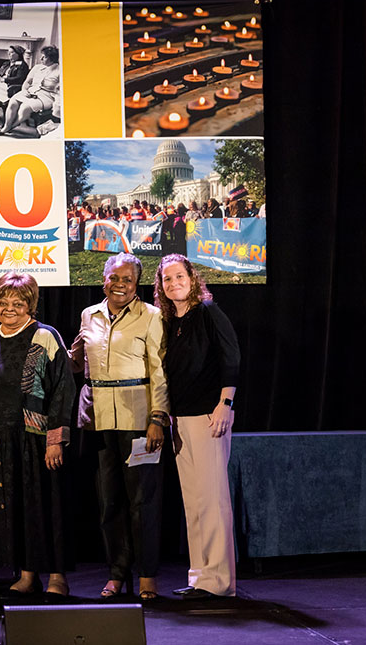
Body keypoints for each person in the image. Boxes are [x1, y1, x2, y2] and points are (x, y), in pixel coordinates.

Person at [70, 254, 169, 602]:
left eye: (128, 279)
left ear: (137, 283)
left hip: (140, 422)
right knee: (109, 502)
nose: (121, 285)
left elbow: (159, 371)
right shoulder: (89, 315)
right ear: (103, 279)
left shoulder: (152, 316)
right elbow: (81, 362)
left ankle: (147, 575)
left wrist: (158, 418)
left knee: (143, 501)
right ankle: (116, 573)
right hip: (99, 421)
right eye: (115, 278)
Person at [0, 272, 76, 599]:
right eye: (2, 303)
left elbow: (63, 389)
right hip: (0, 439)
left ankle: (57, 575)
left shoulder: (45, 336)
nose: (9, 309)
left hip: (37, 438)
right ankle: (27, 573)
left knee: (45, 506)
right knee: (15, 508)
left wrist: (54, 439)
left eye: (18, 303)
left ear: (30, 305)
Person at [154, 254, 240, 599]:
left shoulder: (207, 313)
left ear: (192, 278)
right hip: (180, 420)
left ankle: (219, 582)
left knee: (213, 498)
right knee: (194, 501)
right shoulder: (169, 321)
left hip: (209, 416)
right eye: (167, 279)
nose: (174, 284)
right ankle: (200, 577)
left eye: (179, 277)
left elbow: (230, 357)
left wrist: (226, 404)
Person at [0, 46, 60, 137]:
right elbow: (27, 82)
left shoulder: (59, 71)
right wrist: (24, 90)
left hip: (46, 96)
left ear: (52, 58)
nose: (41, 58)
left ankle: (10, 127)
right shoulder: (37, 67)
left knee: (25, 107)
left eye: (44, 57)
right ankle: (7, 126)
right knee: (13, 102)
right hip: (30, 91)